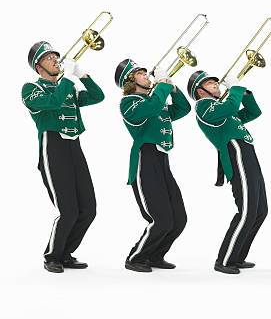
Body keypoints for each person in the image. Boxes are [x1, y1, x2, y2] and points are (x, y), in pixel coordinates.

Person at [22, 41, 105, 273]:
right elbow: (54, 102)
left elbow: (98, 96)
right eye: (49, 58)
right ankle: (52, 256)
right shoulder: (30, 89)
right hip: (53, 148)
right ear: (38, 67)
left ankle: (66, 253)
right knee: (68, 210)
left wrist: (81, 74)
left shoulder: (67, 86)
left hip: (75, 147)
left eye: (55, 57)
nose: (55, 60)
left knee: (89, 209)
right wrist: (67, 78)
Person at [187, 71, 268, 274]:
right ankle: (224, 260)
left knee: (260, 210)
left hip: (248, 154)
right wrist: (235, 88)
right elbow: (231, 105)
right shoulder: (204, 106)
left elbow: (254, 112)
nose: (216, 85)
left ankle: (237, 256)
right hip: (236, 154)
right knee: (247, 211)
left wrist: (245, 92)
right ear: (200, 90)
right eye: (210, 83)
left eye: (216, 82)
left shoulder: (223, 110)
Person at [115, 59, 191, 272]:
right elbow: (155, 105)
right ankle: (136, 257)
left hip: (162, 160)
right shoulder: (129, 102)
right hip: (144, 160)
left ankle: (155, 255)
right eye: (140, 73)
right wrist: (163, 85)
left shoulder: (154, 101)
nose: (146, 75)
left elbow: (183, 108)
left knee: (179, 218)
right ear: (130, 80)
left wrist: (172, 88)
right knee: (162, 219)